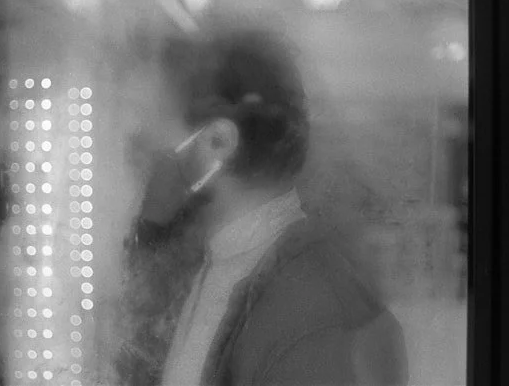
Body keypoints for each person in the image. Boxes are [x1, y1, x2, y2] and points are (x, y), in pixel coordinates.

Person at [117, 26, 409, 386]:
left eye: (159, 118)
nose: (142, 141)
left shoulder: (313, 323)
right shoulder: (214, 264)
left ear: (216, 142)